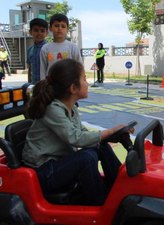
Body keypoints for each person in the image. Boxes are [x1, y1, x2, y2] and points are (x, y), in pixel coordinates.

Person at [22, 59, 132, 205]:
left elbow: (82, 132)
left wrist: (108, 136)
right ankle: (101, 204)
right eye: (84, 79)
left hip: (57, 163)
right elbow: (75, 138)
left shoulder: (71, 107)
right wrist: (107, 132)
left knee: (100, 146)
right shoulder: (53, 110)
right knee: (86, 157)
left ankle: (120, 189)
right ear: (73, 88)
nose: (87, 83)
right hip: (43, 172)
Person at [40, 14, 82, 80]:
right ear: (50, 28)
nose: (59, 28)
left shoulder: (73, 48)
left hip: (69, 84)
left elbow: (80, 68)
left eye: (63, 26)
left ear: (67, 29)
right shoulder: (45, 48)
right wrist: (43, 85)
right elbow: (43, 70)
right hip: (51, 85)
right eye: (56, 25)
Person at [27, 18, 48, 84]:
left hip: (47, 85)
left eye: (42, 31)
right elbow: (30, 69)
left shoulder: (49, 49)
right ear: (30, 32)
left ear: (46, 33)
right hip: (34, 85)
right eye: (36, 30)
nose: (39, 33)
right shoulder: (30, 50)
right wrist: (29, 84)